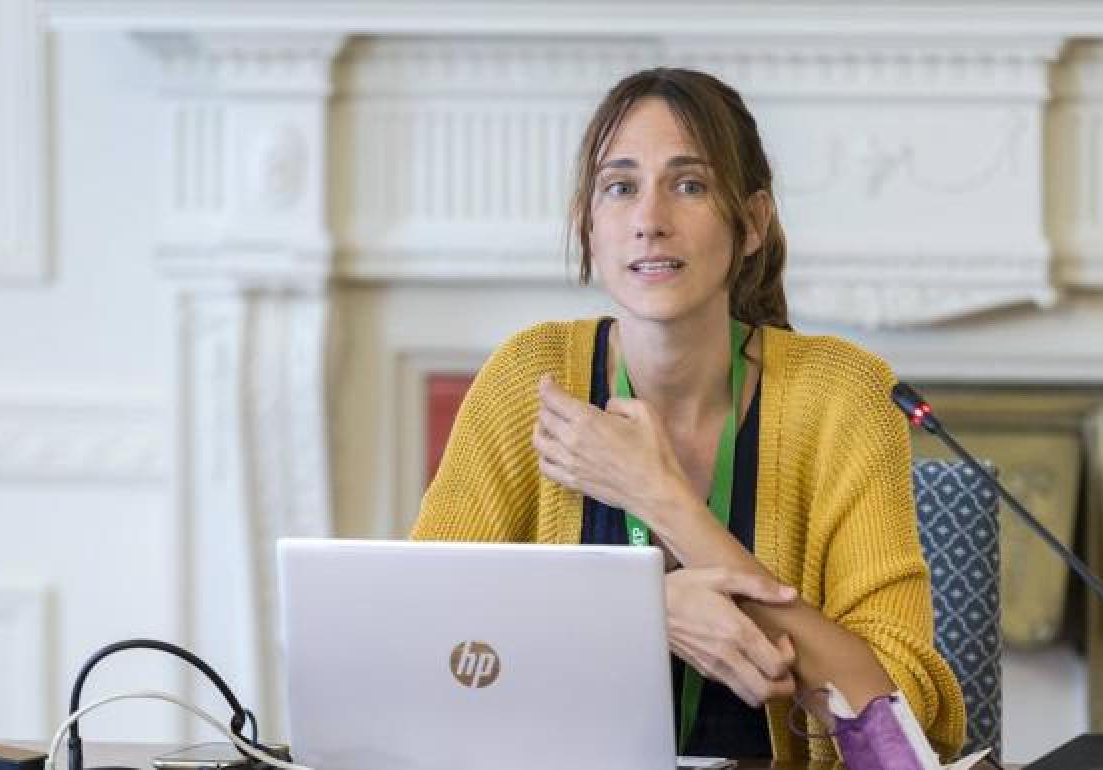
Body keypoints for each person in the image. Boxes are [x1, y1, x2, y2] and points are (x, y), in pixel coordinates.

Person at [411, 67, 965, 762]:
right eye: (620, 187)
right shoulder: (530, 379)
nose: (650, 220)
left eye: (690, 185)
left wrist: (663, 500)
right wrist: (640, 616)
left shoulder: (844, 396)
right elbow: (430, 645)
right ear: (590, 224)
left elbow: (898, 730)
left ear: (753, 222)